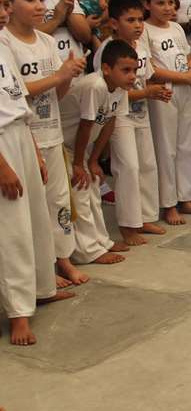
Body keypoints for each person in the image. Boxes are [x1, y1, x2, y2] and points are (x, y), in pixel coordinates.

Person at [0, 0, 88, 287]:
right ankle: (43, 268)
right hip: (22, 137)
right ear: (9, 3)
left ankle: (63, 258)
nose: (40, 6)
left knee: (59, 201)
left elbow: (56, 94)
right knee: (32, 210)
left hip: (51, 131)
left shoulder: (48, 41)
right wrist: (59, 75)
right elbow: (18, 90)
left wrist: (67, 76)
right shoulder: (5, 42)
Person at [0, 0, 74, 346]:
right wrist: (3, 166)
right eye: (0, 5)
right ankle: (18, 313)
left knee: (37, 218)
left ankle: (43, 287)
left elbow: (18, 102)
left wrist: (32, 149)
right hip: (1, 145)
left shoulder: (3, 48)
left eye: (4, 4)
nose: (4, 12)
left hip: (21, 134)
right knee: (12, 229)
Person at [95, 0, 169, 244]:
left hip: (141, 113)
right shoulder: (107, 51)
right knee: (128, 167)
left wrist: (156, 91)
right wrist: (146, 92)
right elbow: (107, 90)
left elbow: (147, 78)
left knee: (147, 164)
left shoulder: (142, 48)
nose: (138, 25)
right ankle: (128, 225)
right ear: (114, 23)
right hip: (119, 116)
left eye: (140, 19)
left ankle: (145, 216)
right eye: (130, 20)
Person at [60, 39, 138, 265]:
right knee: (81, 193)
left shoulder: (120, 88)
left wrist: (93, 161)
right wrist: (78, 164)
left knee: (94, 189)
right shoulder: (96, 85)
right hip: (65, 146)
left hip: (81, 150)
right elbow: (86, 125)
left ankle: (101, 241)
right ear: (106, 69)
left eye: (134, 70)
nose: (132, 76)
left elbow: (108, 124)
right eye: (126, 70)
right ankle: (87, 251)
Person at [143, 0, 191, 225]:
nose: (167, 8)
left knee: (187, 145)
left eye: (171, 2)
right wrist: (185, 76)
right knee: (166, 148)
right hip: (164, 92)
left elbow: (187, 55)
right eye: (160, 3)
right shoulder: (145, 31)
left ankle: (186, 196)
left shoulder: (176, 29)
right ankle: (168, 203)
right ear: (147, 5)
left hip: (185, 89)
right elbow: (150, 69)